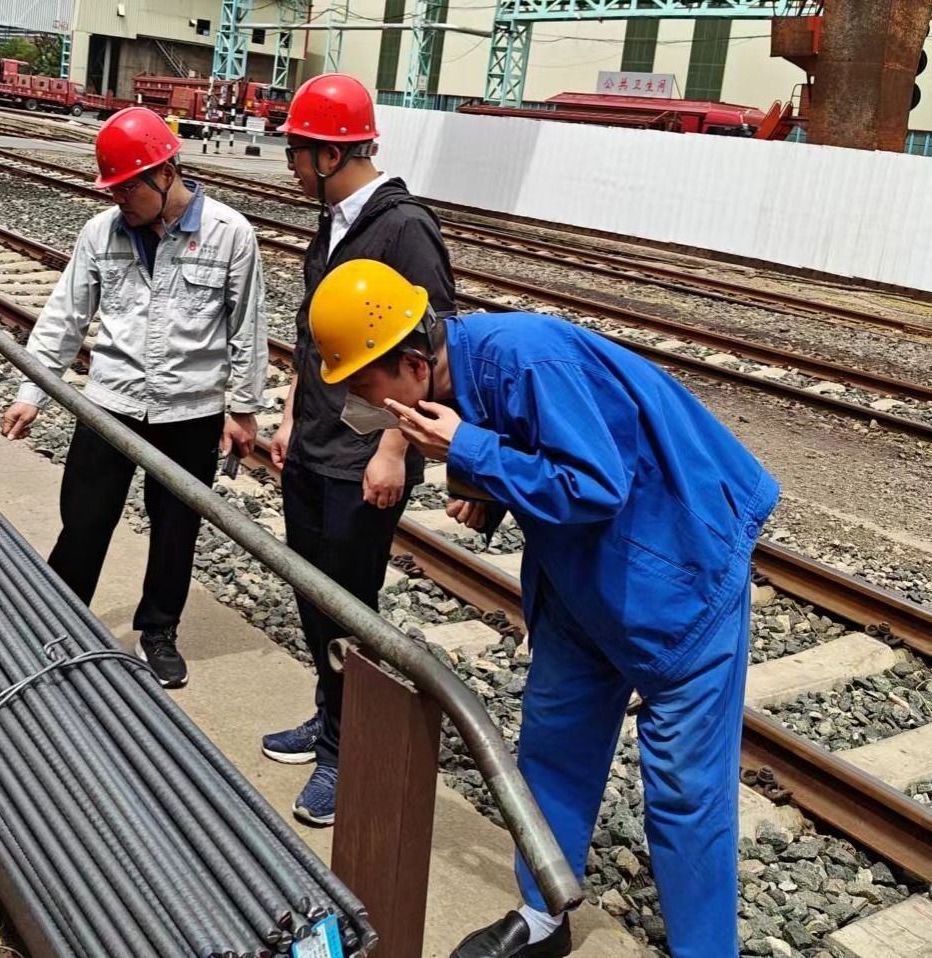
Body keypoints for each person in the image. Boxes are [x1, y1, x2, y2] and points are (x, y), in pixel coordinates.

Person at [307, 259, 779, 958]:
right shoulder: (461, 374)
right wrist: (488, 488)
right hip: (581, 577)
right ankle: (544, 914)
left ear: (413, 363)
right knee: (553, 747)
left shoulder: (527, 359)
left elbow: (596, 484)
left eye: (366, 389)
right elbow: (539, 453)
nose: (370, 409)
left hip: (679, 568)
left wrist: (469, 450)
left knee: (686, 792)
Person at [2, 107, 266, 689]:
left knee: (176, 529)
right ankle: (59, 620)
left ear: (166, 174)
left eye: (128, 188)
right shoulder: (101, 232)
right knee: (84, 519)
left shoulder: (229, 234)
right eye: (113, 189)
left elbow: (246, 328)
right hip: (110, 403)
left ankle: (158, 632)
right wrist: (31, 391)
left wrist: (244, 409)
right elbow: (64, 317)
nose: (119, 199)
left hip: (191, 410)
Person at [260, 73, 456, 827]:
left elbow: (426, 351)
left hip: (364, 452)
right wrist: (289, 413)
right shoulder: (334, 221)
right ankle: (330, 714)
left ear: (329, 154)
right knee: (313, 591)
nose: (289, 165)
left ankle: (348, 749)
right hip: (314, 441)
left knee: (350, 601)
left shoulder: (404, 228)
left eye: (295, 151)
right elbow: (317, 336)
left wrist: (395, 450)